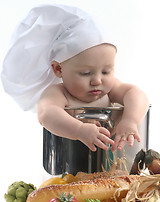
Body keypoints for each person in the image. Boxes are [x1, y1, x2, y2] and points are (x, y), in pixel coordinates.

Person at [1, 4, 149, 153]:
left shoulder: (111, 90)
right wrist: (79, 130)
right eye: (85, 73)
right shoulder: (58, 93)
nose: (97, 81)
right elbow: (46, 113)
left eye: (105, 72)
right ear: (58, 69)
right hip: (68, 168)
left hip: (114, 165)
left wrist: (130, 120)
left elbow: (136, 94)